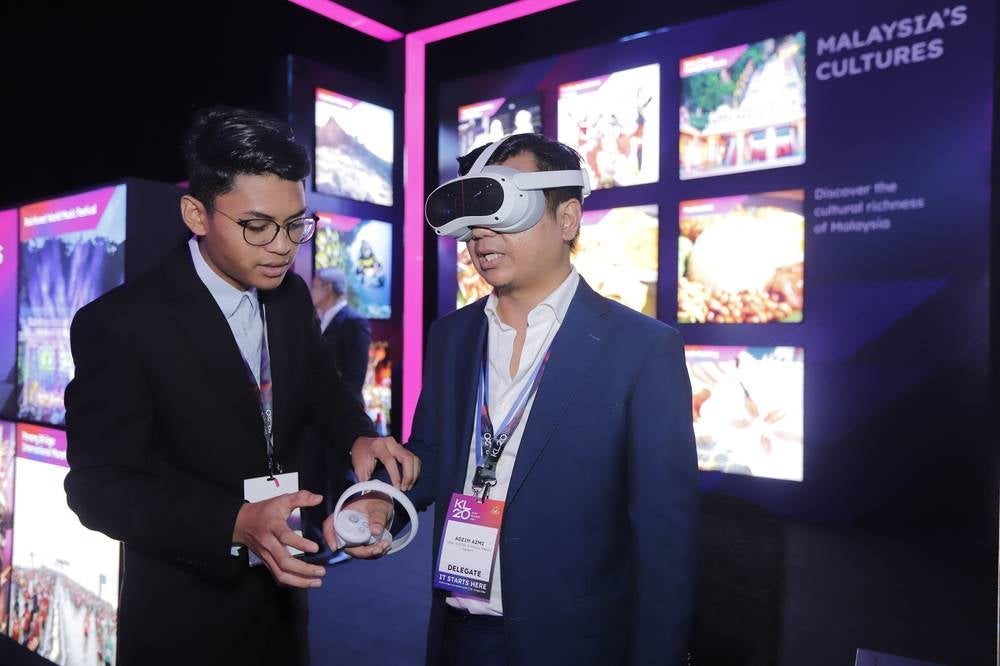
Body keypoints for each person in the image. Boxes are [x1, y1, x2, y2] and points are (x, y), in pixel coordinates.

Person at [63, 106, 418, 666]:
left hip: (284, 599)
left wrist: (358, 437)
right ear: (196, 214)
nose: (283, 246)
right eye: (257, 226)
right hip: (183, 617)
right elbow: (96, 488)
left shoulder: (291, 297)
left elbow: (324, 391)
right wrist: (232, 523)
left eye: (298, 224)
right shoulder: (123, 323)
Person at [407, 133, 698, 665]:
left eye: (502, 206)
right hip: (458, 632)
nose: (479, 235)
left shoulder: (642, 349)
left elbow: (665, 538)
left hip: (573, 642)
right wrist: (385, 499)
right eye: (473, 216)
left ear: (567, 220)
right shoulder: (451, 336)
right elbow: (430, 453)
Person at [310, 266, 371, 401]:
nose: (310, 292)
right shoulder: (316, 321)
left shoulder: (354, 323)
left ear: (327, 288)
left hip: (342, 413)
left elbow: (355, 380)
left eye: (314, 286)